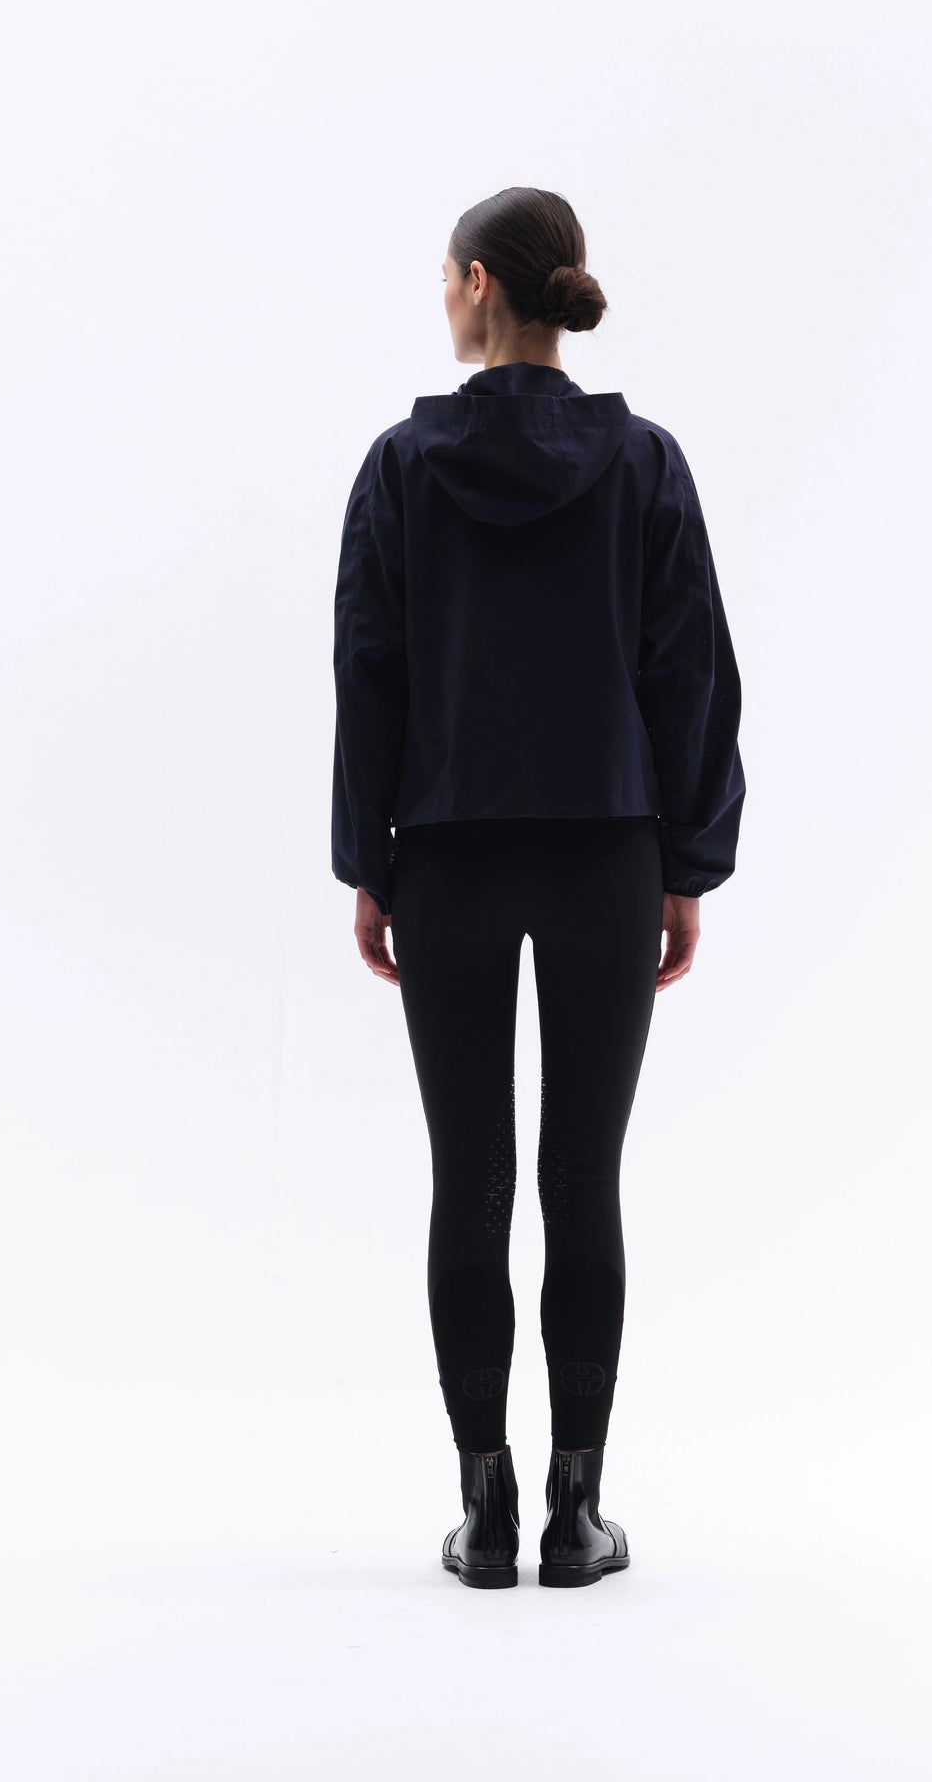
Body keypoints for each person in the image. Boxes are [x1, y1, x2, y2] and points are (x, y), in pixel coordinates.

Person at [330, 186, 746, 1588]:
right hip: (607, 848)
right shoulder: (645, 465)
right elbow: (689, 671)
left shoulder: (402, 467)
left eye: (441, 279)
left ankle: (486, 1509)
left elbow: (369, 672)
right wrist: (687, 862)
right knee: (581, 1177)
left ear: (474, 285)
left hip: (448, 850)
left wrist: (371, 862)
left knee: (472, 1175)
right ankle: (578, 1513)